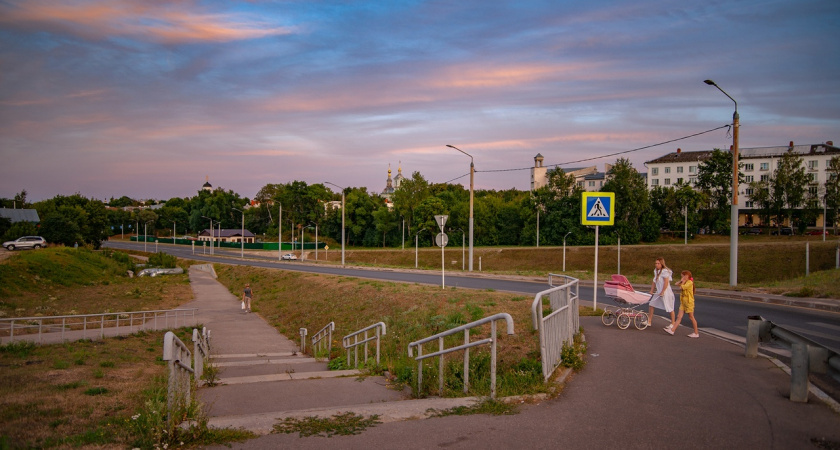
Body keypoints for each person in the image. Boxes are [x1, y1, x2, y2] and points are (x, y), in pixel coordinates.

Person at [667, 270, 699, 338]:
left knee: (691, 317)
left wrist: (683, 281)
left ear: (687, 276)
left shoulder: (690, 282)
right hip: (683, 302)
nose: (682, 277)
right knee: (679, 316)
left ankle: (696, 333)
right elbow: (676, 284)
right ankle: (672, 330)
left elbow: (681, 287)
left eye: (683, 276)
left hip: (689, 302)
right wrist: (681, 280)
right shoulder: (685, 282)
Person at [647, 257, 675, 328]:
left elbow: (666, 282)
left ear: (662, 264)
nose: (656, 265)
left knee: (669, 307)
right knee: (651, 304)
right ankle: (649, 321)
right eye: (656, 263)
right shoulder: (656, 271)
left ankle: (673, 323)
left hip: (666, 292)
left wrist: (662, 292)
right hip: (658, 291)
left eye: (658, 263)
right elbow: (654, 281)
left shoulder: (665, 271)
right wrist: (652, 290)